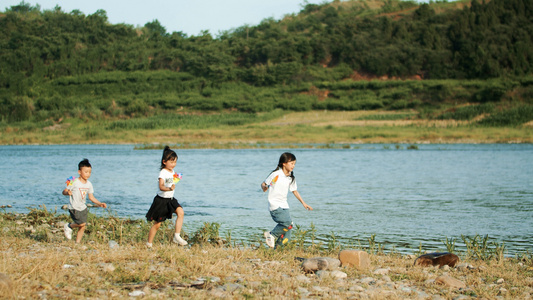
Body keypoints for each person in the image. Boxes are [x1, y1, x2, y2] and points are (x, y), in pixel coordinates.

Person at [261, 152, 312, 248]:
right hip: (275, 205)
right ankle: (271, 235)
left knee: (288, 228)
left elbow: (295, 191)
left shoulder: (291, 177)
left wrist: (304, 203)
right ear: (284, 163)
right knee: (287, 224)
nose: (293, 166)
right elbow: (264, 183)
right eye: (291, 163)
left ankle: (279, 249)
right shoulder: (276, 174)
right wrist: (264, 187)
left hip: (284, 205)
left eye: (294, 164)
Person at [145, 146, 187, 247]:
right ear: (164, 161)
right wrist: (170, 189)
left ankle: (176, 236)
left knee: (181, 212)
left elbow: (170, 182)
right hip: (161, 201)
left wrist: (175, 180)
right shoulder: (162, 172)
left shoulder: (172, 172)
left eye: (175, 162)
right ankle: (149, 243)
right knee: (157, 224)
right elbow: (161, 186)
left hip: (170, 199)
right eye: (171, 162)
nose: (174, 164)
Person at [62, 158, 107, 243]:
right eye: (86, 172)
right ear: (79, 172)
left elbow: (91, 197)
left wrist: (100, 203)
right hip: (74, 207)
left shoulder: (89, 184)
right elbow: (64, 191)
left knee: (83, 226)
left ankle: (77, 243)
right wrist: (67, 192)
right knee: (81, 223)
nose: (88, 174)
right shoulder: (73, 181)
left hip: (83, 207)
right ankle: (69, 226)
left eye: (89, 172)